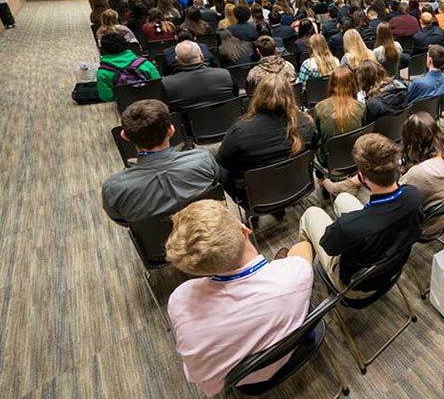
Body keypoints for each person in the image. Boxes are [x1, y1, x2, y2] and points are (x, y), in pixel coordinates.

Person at [166, 200, 314, 397]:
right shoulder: (293, 274)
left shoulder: (181, 300)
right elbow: (303, 248)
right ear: (245, 230)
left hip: (243, 381)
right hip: (296, 349)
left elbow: (198, 376)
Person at [299, 133, 422, 294]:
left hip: (354, 288)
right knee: (343, 197)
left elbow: (328, 246)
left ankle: (299, 277)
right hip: (392, 269)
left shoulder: (348, 227)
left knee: (311, 213)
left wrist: (342, 229)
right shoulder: (414, 195)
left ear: (362, 176)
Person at [101, 100, 218, 224]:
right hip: (209, 230)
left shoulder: (113, 189)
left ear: (124, 136)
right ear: (171, 130)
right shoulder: (203, 160)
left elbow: (122, 221)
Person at [216, 74, 316, 201]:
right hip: (298, 185)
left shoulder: (240, 131)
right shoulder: (306, 123)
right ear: (291, 96)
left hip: (260, 195)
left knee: (221, 171)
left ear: (258, 96)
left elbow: (223, 161)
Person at [163, 41, 237, 111]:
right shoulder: (225, 74)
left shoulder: (167, 84)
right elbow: (236, 97)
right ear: (202, 56)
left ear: (178, 60)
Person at [313, 66, 366, 164]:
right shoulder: (362, 107)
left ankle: (320, 177)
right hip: (356, 156)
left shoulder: (319, 108)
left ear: (331, 84)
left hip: (330, 161)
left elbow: (317, 138)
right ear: (353, 84)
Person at [96, 33, 160, 102]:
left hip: (125, 108)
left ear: (103, 50)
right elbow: (158, 84)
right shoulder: (145, 63)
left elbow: (106, 97)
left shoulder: (102, 73)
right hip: (151, 104)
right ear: (126, 45)